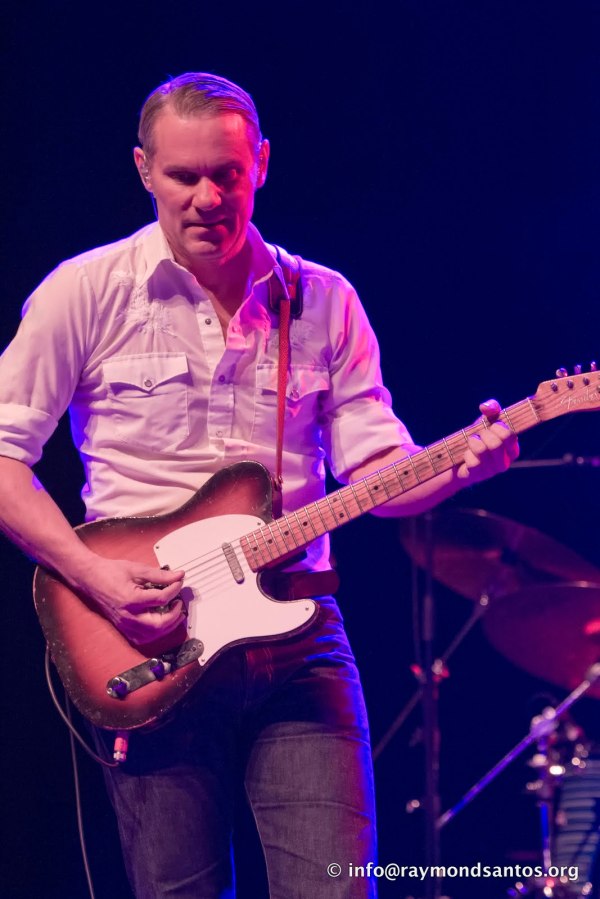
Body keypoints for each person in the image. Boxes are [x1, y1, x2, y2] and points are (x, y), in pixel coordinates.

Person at [0, 72, 519, 898]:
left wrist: (458, 466)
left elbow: (376, 472)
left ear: (263, 164)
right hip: (146, 640)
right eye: (184, 176)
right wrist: (94, 575)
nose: (208, 198)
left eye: (228, 174)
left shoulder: (323, 299)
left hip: (299, 636)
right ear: (143, 168)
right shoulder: (84, 292)